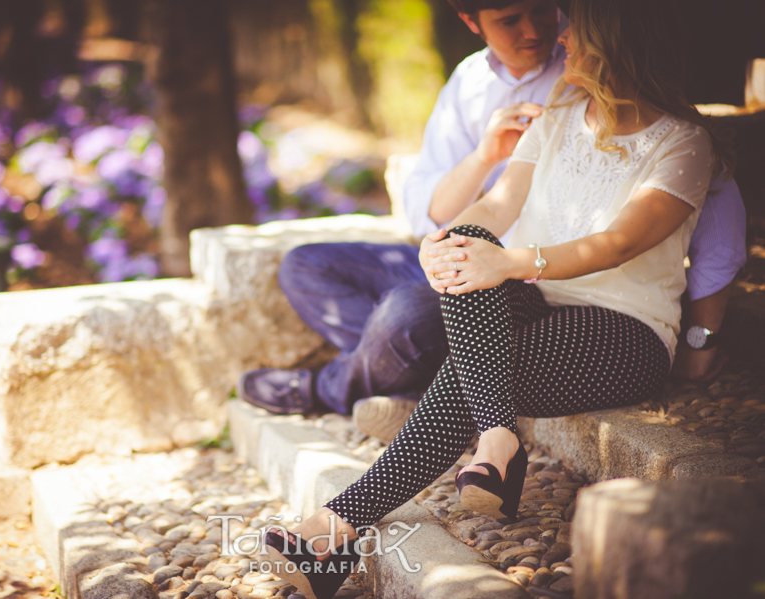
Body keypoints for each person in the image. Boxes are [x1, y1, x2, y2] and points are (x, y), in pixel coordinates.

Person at [257, 0, 732, 596]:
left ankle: (333, 529)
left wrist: (511, 261)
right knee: (468, 241)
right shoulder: (560, 109)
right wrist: (446, 241)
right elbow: (498, 205)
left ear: (614, 47)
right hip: (537, 297)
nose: (563, 46)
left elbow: (617, 244)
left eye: (576, 36)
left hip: (625, 330)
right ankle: (498, 442)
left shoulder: (683, 143)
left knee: (465, 370)